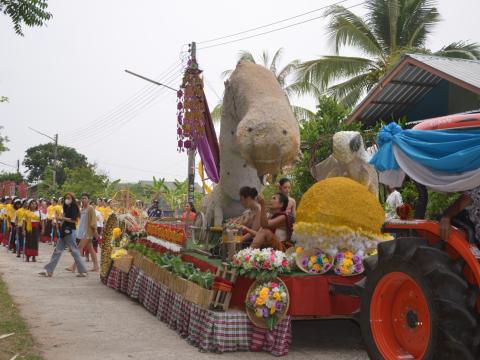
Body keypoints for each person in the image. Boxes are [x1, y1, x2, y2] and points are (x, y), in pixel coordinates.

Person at [41, 192, 88, 277]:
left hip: (70, 231)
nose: (67, 199)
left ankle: (82, 270)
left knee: (74, 251)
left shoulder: (74, 207)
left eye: (69, 198)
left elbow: (73, 220)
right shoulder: (66, 207)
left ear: (72, 199)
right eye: (66, 198)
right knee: (57, 251)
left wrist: (62, 218)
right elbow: (63, 219)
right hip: (64, 231)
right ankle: (49, 270)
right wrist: (59, 219)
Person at [68, 193, 99, 272]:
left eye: (85, 198)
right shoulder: (82, 209)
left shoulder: (90, 208)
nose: (83, 200)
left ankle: (73, 267)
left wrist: (95, 231)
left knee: (79, 248)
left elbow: (93, 220)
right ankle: (96, 266)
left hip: (87, 232)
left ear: (88, 200)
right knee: (91, 249)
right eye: (82, 198)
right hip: (82, 231)